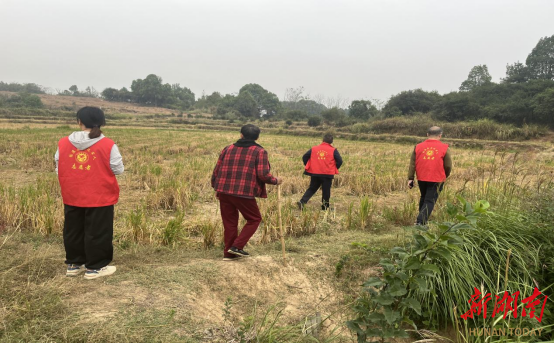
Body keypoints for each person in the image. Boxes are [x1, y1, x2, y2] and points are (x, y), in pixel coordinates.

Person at [55, 106, 124, 279]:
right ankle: (95, 268)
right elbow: (118, 169)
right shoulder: (108, 144)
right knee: (98, 231)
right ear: (101, 123)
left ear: (79, 121)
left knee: (73, 230)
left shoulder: (63, 142)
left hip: (72, 194)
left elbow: (59, 166)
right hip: (100, 195)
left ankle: (74, 265)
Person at [211, 124, 283, 261]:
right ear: (257, 137)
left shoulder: (227, 149)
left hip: (224, 191)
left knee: (230, 223)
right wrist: (275, 180)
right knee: (254, 219)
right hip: (243, 192)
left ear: (241, 135)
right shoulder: (259, 151)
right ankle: (237, 246)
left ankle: (229, 254)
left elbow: (216, 170)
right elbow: (263, 174)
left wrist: (216, 186)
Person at [408, 126, 452, 225]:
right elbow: (448, 165)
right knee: (429, 200)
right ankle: (420, 222)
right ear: (440, 135)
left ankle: (421, 220)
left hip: (421, 177)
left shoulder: (418, 146)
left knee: (424, 197)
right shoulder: (445, 147)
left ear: (427, 135)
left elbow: (412, 164)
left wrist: (410, 178)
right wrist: (445, 175)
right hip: (437, 178)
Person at [298, 133, 343, 211]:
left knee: (312, 188)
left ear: (322, 140)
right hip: (327, 174)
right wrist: (334, 168)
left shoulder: (314, 148)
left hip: (315, 173)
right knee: (326, 190)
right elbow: (340, 161)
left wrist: (309, 165)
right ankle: (324, 207)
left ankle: (302, 201)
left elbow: (305, 157)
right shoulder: (333, 150)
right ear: (332, 142)